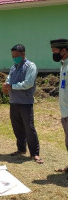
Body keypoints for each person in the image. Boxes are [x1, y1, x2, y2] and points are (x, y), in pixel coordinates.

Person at [2, 44, 43, 164]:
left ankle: (35, 153)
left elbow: (28, 83)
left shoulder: (30, 66)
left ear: (23, 54)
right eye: (12, 56)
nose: (14, 58)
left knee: (29, 128)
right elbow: (8, 80)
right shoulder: (14, 67)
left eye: (16, 56)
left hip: (25, 102)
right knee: (17, 127)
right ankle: (21, 149)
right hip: (14, 102)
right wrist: (6, 85)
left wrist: (11, 86)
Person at [50, 39, 68, 172]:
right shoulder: (64, 65)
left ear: (64, 50)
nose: (53, 54)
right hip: (65, 111)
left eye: (54, 51)